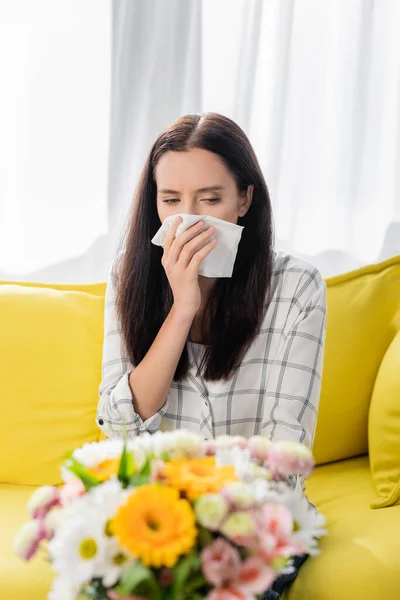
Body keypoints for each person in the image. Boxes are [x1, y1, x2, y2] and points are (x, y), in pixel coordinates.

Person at [97, 112, 327, 597]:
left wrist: (218, 529)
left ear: (244, 199)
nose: (190, 217)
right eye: (172, 200)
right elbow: (118, 428)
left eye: (211, 199)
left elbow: (286, 454)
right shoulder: (128, 279)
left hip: (258, 518)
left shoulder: (296, 288)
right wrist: (182, 309)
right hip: (159, 512)